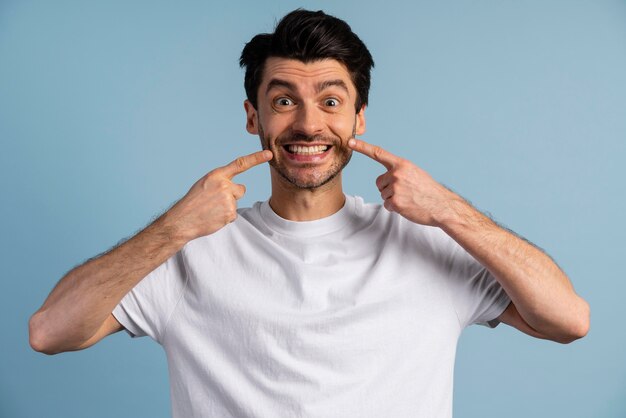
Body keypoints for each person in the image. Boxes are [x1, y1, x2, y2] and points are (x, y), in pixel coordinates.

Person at [30, 9, 589, 418]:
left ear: (358, 118)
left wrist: (447, 210)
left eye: (329, 101)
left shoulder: (425, 241)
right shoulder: (191, 252)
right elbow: (50, 332)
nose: (307, 124)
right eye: (283, 101)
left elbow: (568, 320)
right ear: (254, 117)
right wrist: (176, 226)